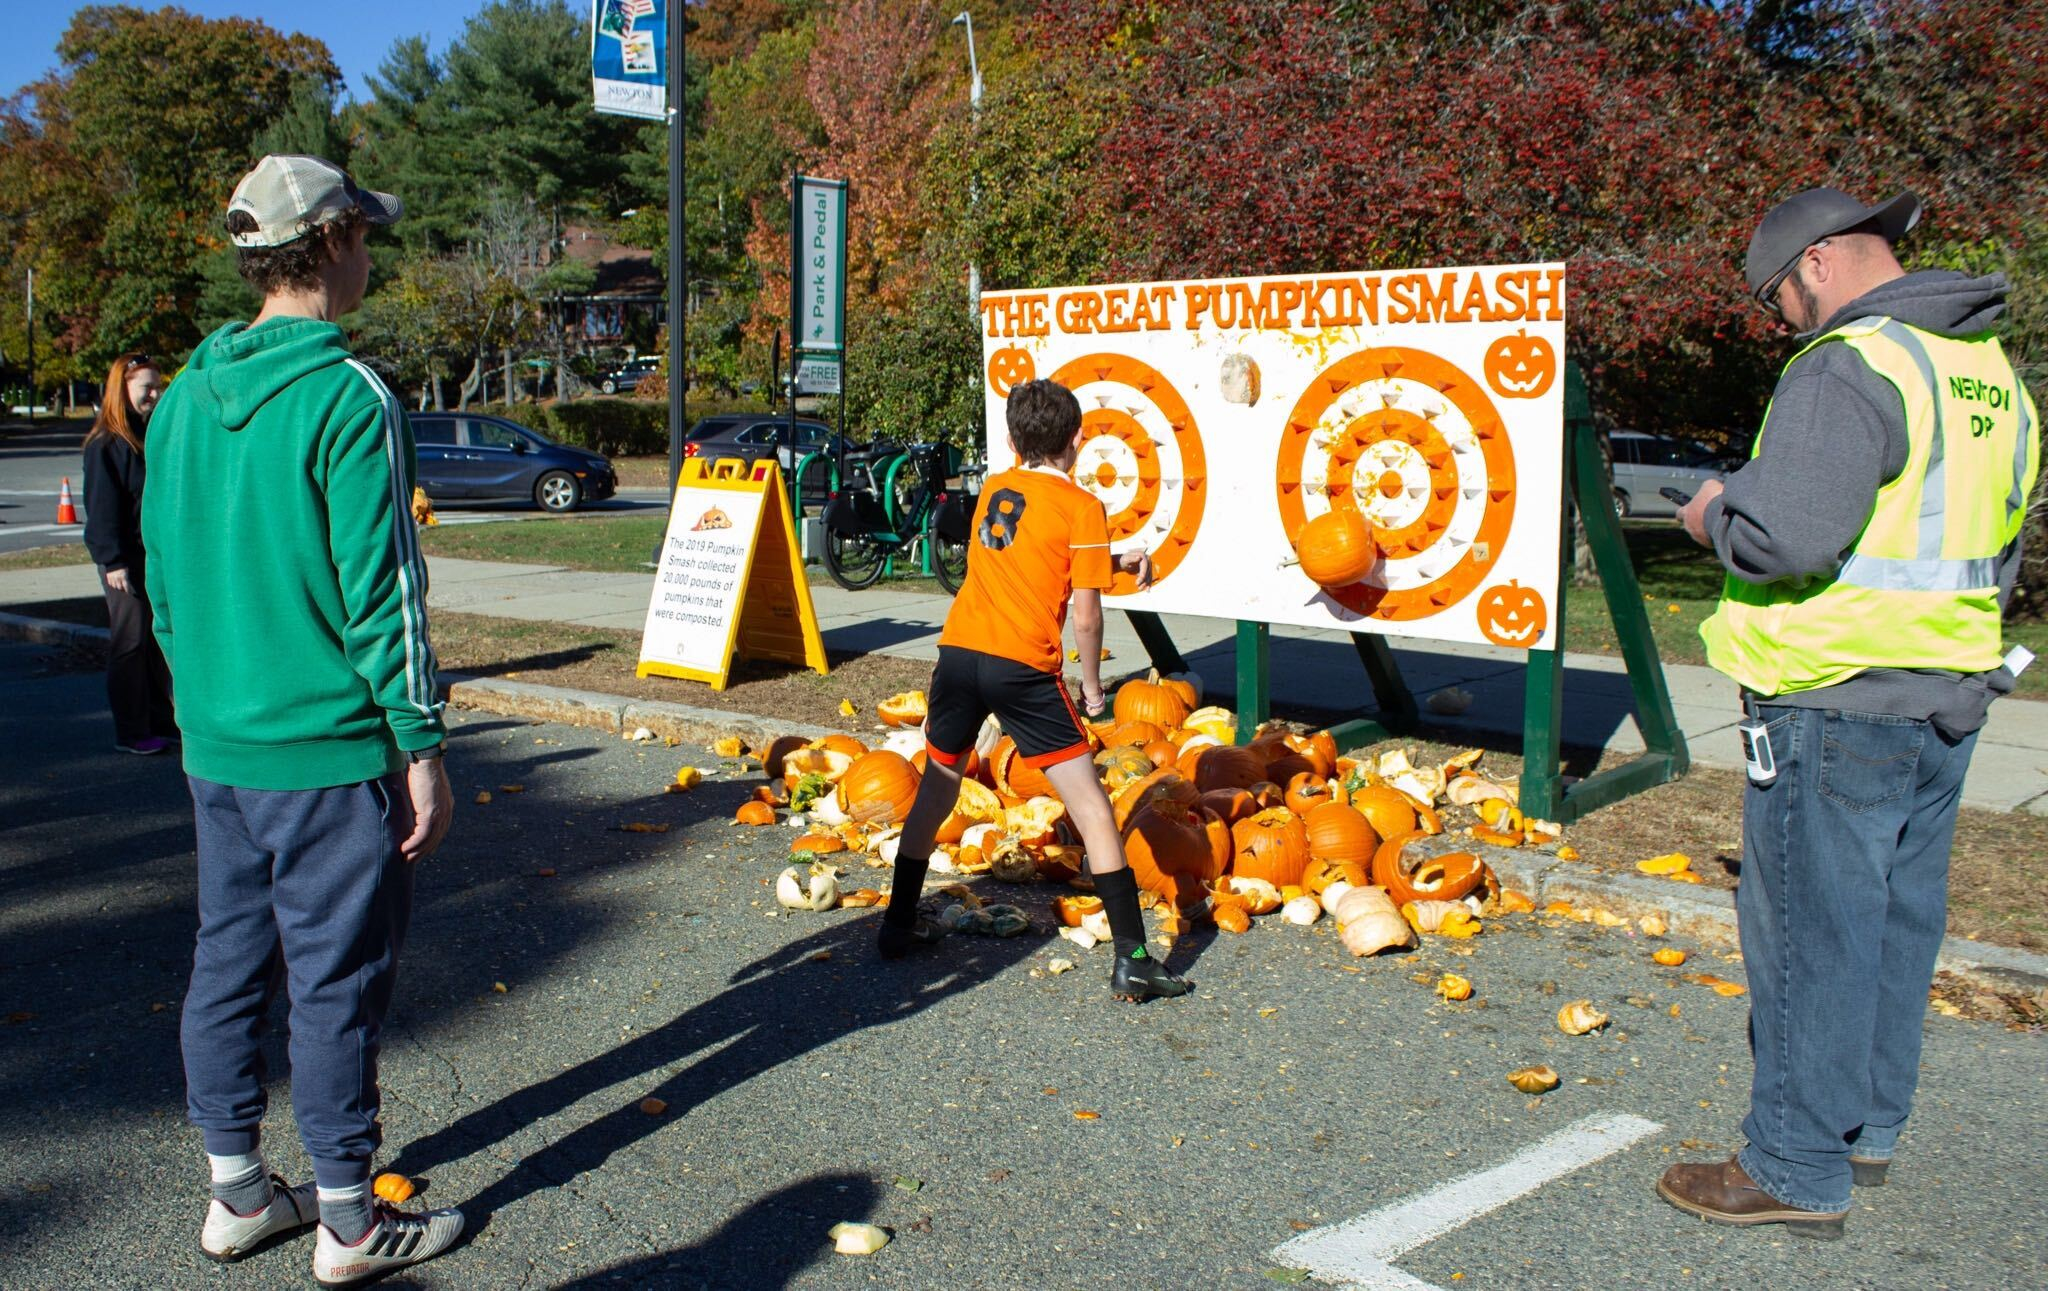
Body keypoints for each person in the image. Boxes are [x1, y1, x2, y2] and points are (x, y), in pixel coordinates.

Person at [1660, 188, 2039, 1238]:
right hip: (1944, 694)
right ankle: (1864, 1126)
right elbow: (1992, 547)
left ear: (1818, 261)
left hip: (1833, 697)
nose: (1782, 318)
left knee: (1811, 934)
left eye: (1775, 294)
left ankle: (1790, 1162)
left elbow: (1787, 536)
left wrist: (1709, 513)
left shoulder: (1847, 362)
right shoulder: (1987, 376)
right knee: (1890, 927)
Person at [142, 154, 463, 1285]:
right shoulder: (346, 394)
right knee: (334, 982)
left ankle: (238, 1193)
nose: (372, 253)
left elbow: (163, 584)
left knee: (225, 959)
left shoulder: (181, 396)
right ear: (327, 242)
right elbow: (385, 595)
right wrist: (421, 744)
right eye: (364, 236)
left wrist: (204, 700)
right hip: (325, 749)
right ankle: (349, 1219)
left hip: (219, 744)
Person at [876, 378, 1190, 1002]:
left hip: (960, 655)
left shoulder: (996, 487)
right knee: (1094, 809)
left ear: (1017, 441)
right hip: (1021, 668)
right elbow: (1087, 613)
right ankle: (1132, 959)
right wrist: (1095, 686)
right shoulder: (1082, 507)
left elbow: (1034, 552)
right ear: (1077, 440)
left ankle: (896, 925)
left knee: (937, 789)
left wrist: (1118, 558)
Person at [81, 351, 177, 753]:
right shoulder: (106, 445)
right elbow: (101, 508)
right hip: (124, 562)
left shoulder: (149, 437)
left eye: (158, 386)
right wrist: (112, 561)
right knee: (130, 643)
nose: (155, 394)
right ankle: (131, 731)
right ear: (122, 390)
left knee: (155, 644)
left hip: (153, 557)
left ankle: (157, 720)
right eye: (146, 388)